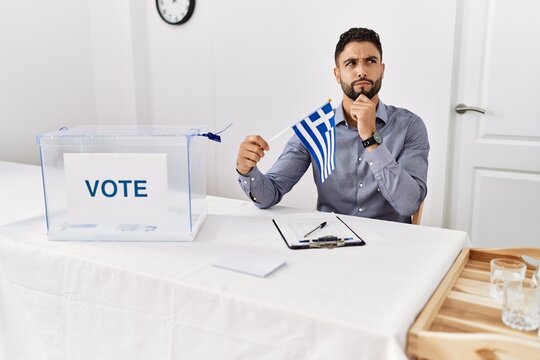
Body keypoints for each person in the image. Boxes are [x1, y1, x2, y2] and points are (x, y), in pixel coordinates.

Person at [235, 27, 429, 223]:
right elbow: (270, 194)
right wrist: (246, 170)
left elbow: (409, 205)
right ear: (337, 74)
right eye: (351, 63)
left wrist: (371, 140)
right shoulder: (316, 129)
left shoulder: (409, 126)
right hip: (331, 242)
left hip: (391, 243)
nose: (361, 71)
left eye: (370, 61)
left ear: (382, 69)